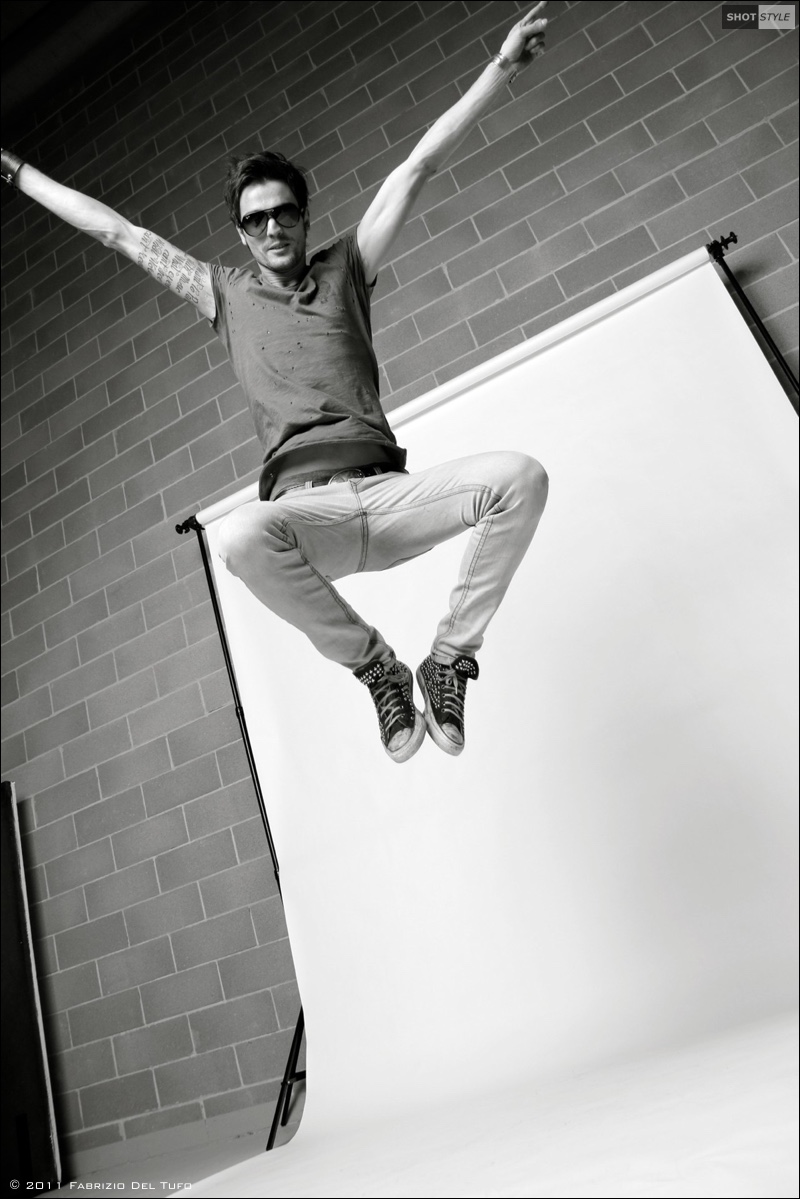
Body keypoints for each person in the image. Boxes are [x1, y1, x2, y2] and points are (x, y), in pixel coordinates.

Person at [2, 4, 550, 764]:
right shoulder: (223, 294)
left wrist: (501, 69)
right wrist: (13, 170)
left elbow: (417, 168)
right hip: (307, 515)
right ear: (241, 233)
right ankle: (378, 670)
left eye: (284, 213)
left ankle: (449, 659)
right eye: (256, 220)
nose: (272, 229)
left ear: (303, 216)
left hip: (390, 498)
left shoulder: (348, 266)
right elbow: (119, 233)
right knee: (236, 535)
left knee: (520, 478)